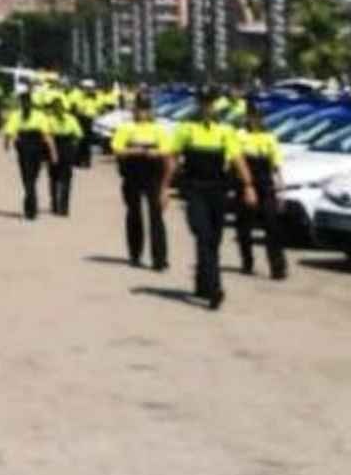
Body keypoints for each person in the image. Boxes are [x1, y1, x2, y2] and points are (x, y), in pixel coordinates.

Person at [163, 90, 257, 310]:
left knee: (213, 241)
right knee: (203, 235)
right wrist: (164, 188)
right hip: (195, 190)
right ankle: (215, 289)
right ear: (198, 105)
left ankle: (202, 283)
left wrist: (249, 186)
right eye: (204, 103)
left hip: (217, 191)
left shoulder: (225, 131)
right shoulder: (186, 128)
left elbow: (237, 159)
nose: (207, 108)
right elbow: (172, 158)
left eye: (211, 104)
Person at [111, 93, 171, 270]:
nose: (142, 112)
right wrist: (134, 151)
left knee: (156, 215)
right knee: (134, 212)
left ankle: (159, 258)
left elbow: (166, 150)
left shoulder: (158, 129)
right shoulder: (126, 128)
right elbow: (117, 149)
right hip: (133, 172)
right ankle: (135, 253)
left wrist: (156, 153)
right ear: (134, 109)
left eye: (146, 109)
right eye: (139, 108)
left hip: (153, 173)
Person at [235, 105, 288, 280]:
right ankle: (247, 261)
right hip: (246, 183)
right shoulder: (240, 136)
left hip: (266, 184)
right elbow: (236, 160)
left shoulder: (270, 137)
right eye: (252, 117)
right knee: (245, 226)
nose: (255, 120)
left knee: (272, 226)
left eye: (259, 117)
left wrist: (280, 187)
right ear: (247, 118)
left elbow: (276, 164)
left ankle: (277, 266)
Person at [2, 89, 58, 221]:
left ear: (31, 103)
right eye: (23, 102)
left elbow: (47, 136)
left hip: (37, 148)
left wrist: (53, 153)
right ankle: (30, 208)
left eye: (27, 102)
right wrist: (6, 144)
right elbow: (9, 132)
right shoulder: (16, 116)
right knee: (27, 179)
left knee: (33, 178)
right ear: (21, 104)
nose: (25, 105)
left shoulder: (40, 116)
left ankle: (30, 207)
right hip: (23, 149)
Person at [43, 90, 83, 216]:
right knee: (54, 178)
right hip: (54, 146)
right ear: (53, 109)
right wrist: (53, 153)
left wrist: (73, 147)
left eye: (60, 107)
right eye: (55, 108)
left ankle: (64, 207)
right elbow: (47, 136)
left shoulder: (71, 119)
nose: (58, 110)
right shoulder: (49, 119)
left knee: (66, 179)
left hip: (67, 146)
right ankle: (54, 203)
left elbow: (79, 134)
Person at [73, 80, 99, 168]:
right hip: (81, 119)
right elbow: (78, 109)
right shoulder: (79, 96)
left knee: (88, 142)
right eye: (87, 88)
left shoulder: (95, 97)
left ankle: (87, 161)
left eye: (90, 88)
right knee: (80, 140)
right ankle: (78, 161)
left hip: (91, 120)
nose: (89, 89)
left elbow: (98, 108)